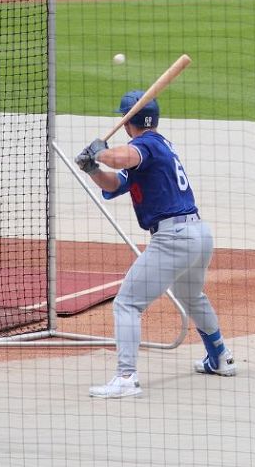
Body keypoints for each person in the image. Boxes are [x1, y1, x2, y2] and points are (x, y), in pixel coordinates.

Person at [75, 91, 236, 399]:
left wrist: (100, 152)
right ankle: (219, 356)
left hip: (174, 239)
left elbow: (122, 157)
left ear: (126, 123)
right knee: (191, 296)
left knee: (127, 303)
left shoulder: (145, 145)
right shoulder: (157, 146)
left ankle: (126, 377)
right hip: (197, 235)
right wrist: (93, 168)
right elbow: (116, 183)